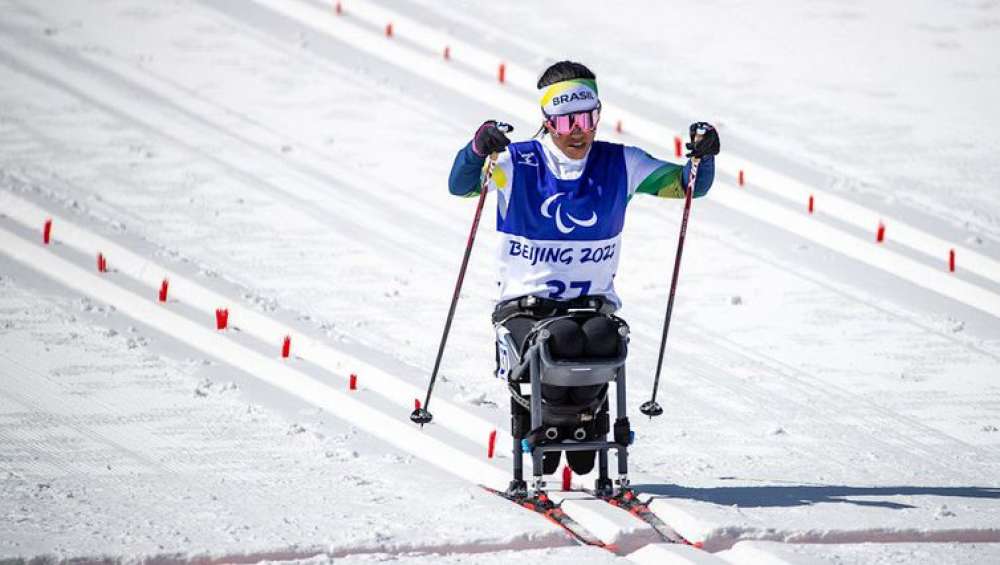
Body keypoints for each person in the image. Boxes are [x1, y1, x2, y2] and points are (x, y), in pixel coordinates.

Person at [447, 60, 720, 480]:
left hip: (591, 309)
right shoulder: (518, 163)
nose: (579, 130)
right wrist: (479, 148)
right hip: (526, 310)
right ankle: (549, 428)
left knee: (597, 337)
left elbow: (689, 186)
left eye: (588, 117)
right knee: (559, 340)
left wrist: (704, 157)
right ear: (547, 121)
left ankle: (582, 426)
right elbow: (461, 185)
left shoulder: (621, 163)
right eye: (567, 120)